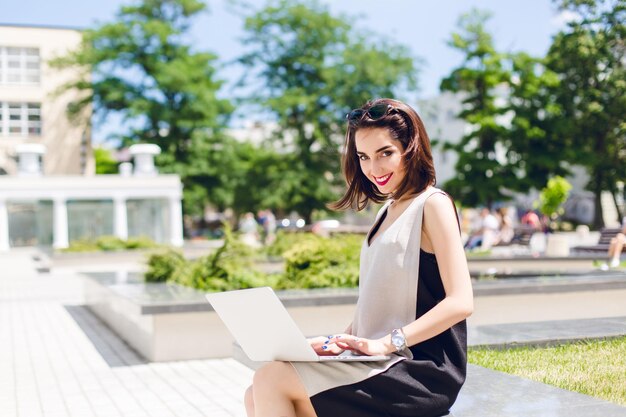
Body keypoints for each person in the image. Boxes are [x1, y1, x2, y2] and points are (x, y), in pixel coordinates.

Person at [244, 98, 473, 417]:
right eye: (364, 156)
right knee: (255, 393)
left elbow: (461, 302)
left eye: (385, 153)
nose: (373, 169)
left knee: (271, 379)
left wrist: (386, 343)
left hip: (420, 369)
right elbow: (377, 305)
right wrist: (336, 342)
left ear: (411, 148)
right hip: (379, 360)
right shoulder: (387, 211)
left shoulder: (432, 204)